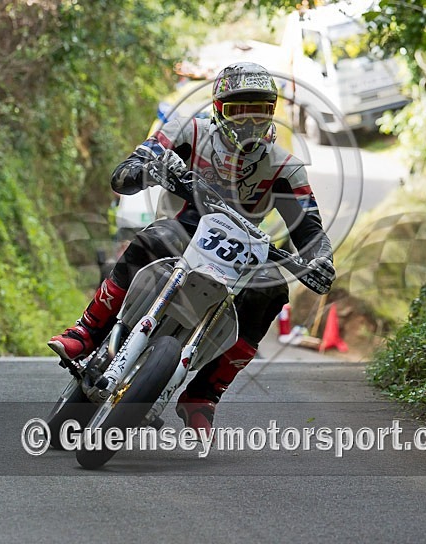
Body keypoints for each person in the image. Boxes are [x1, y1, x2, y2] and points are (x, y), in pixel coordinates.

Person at [49, 62, 335, 432]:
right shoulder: (188, 129)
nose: (248, 123)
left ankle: (205, 394)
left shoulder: (286, 168)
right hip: (180, 235)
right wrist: (147, 169)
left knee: (273, 289)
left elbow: (310, 231)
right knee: (156, 237)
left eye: (259, 110)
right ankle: (85, 331)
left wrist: (319, 260)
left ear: (272, 113)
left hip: (240, 258)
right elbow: (123, 175)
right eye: (238, 110)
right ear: (218, 109)